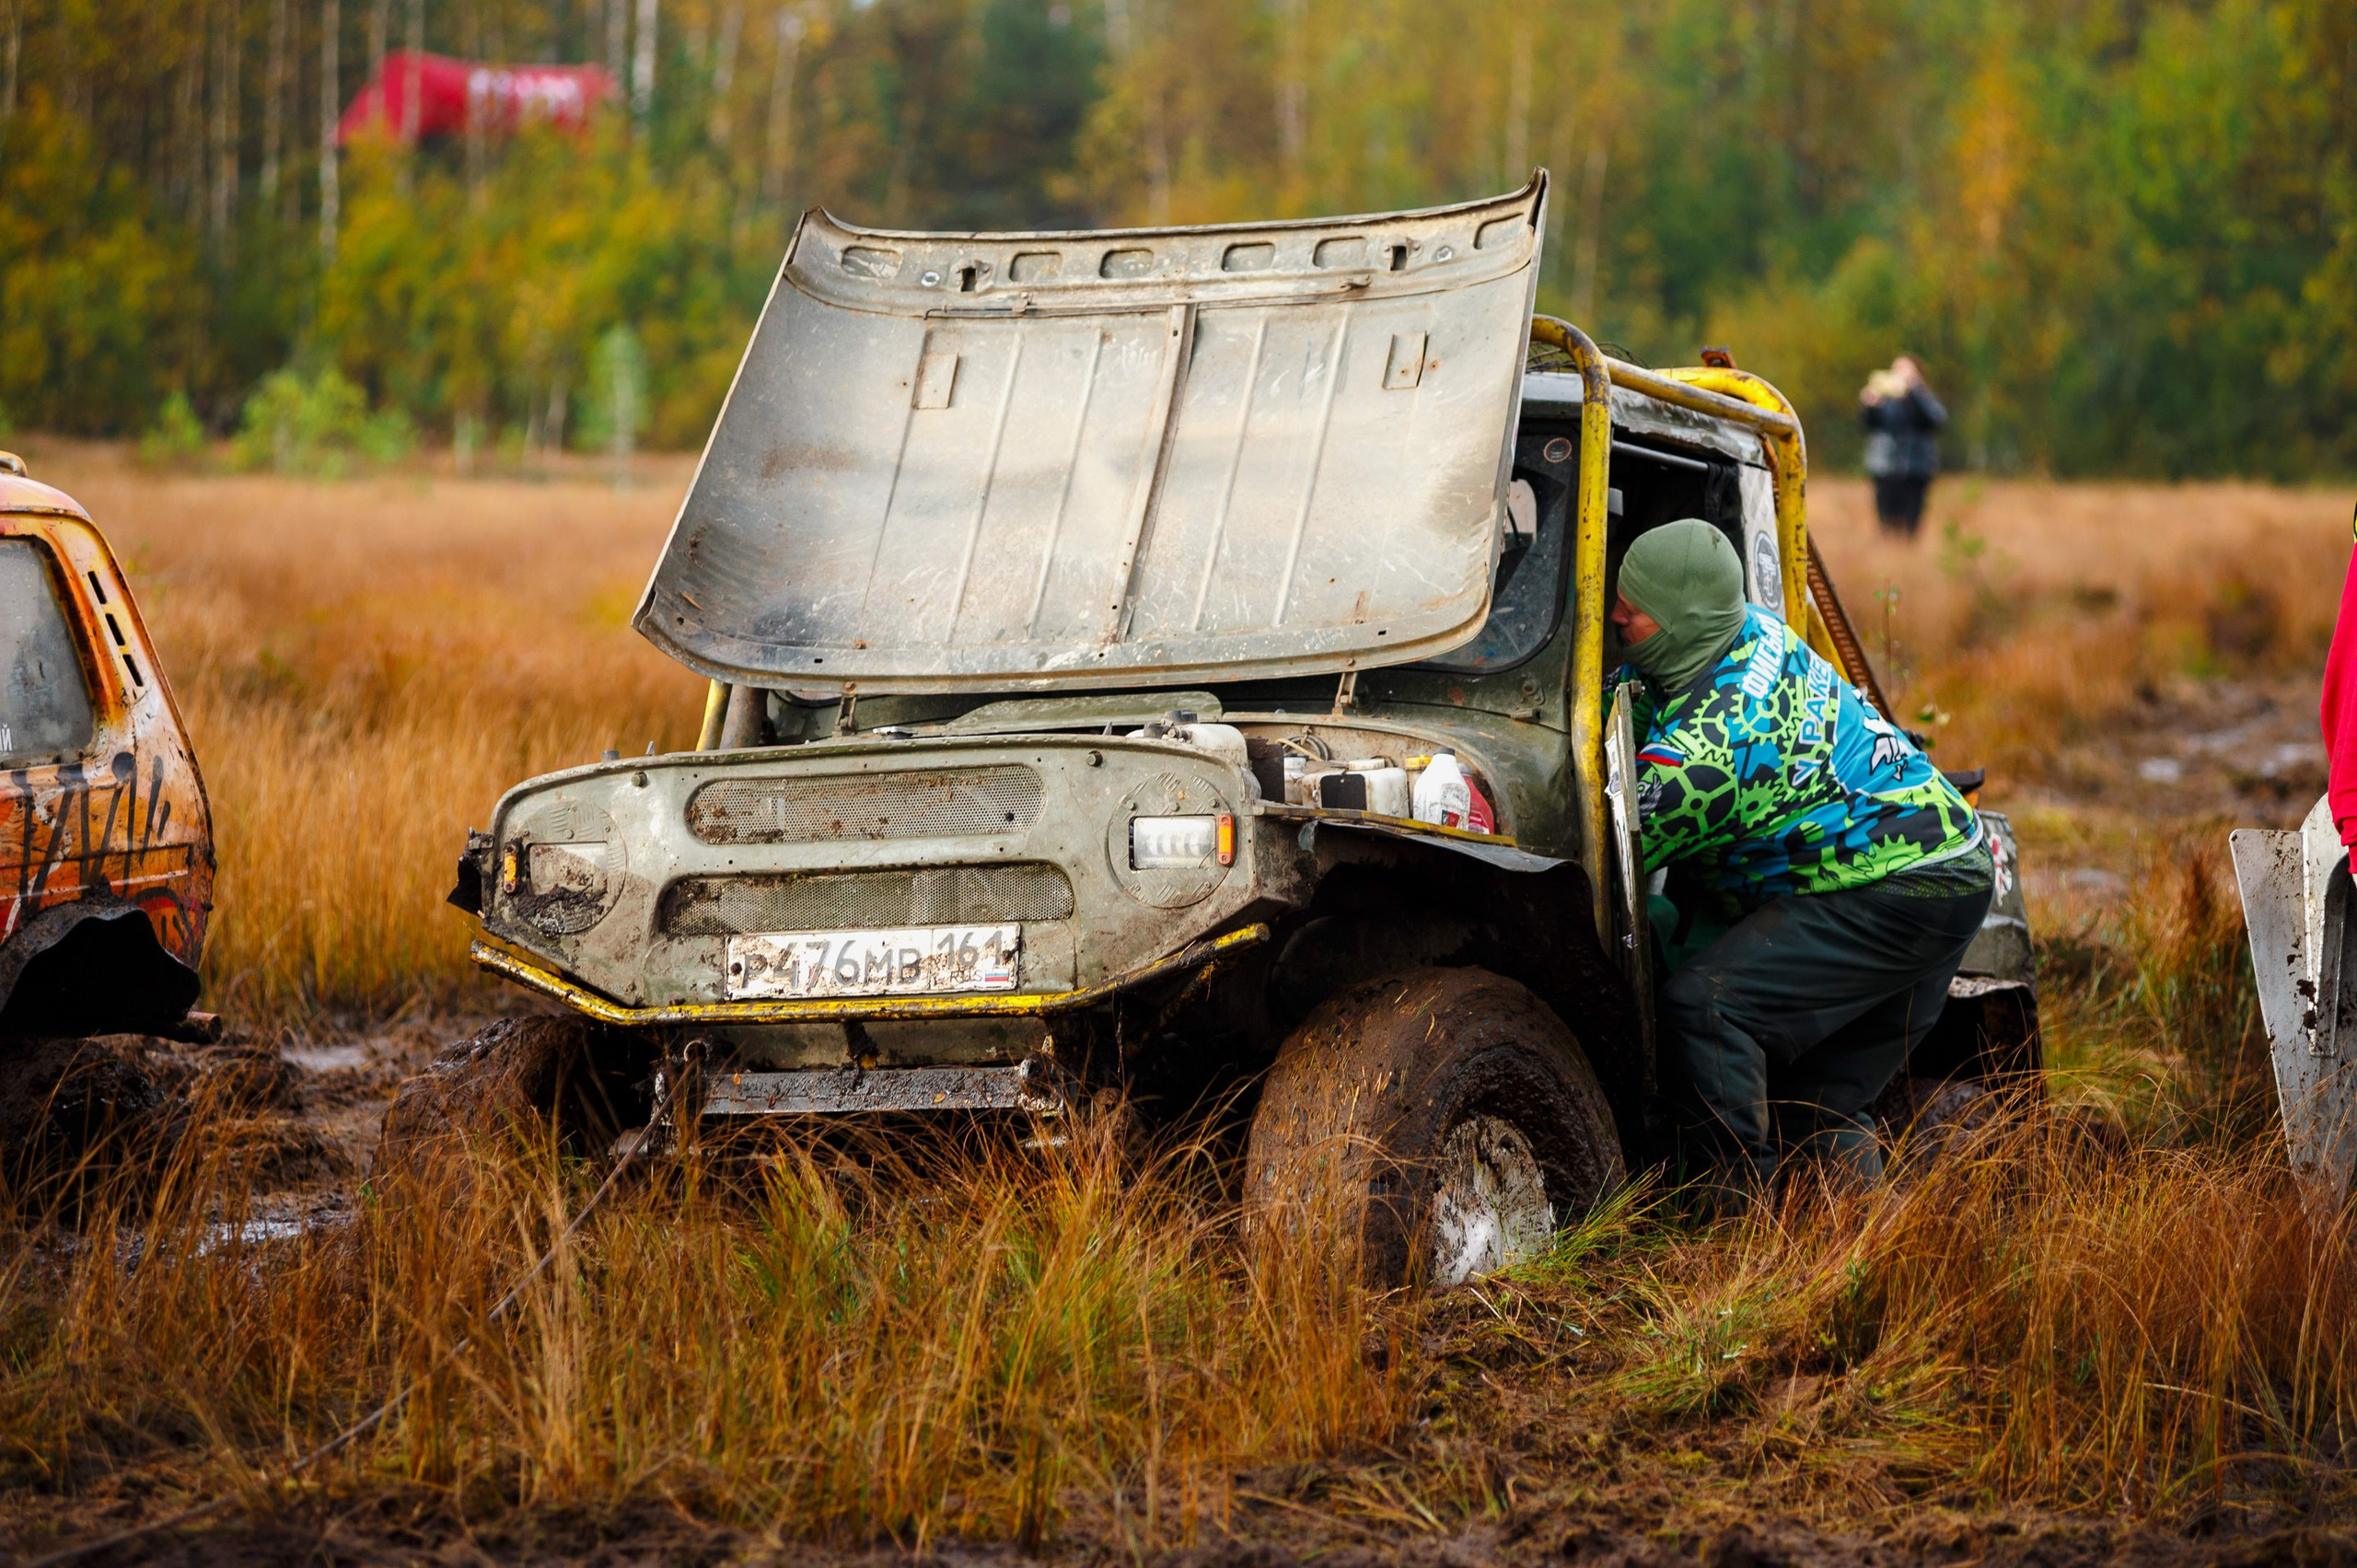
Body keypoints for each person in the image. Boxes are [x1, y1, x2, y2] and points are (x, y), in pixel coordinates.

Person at [1609, 519, 1991, 1202]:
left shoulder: (1712, 757)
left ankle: (1735, 1231)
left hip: (1899, 886)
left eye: (1629, 614)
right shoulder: (1743, 624)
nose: (1614, 617)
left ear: (1677, 625)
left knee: (1705, 1006)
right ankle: (1867, 1261)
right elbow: (1638, 697)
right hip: (1950, 863)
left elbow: (1610, 847)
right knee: (1819, 1102)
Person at [1859, 355, 1946, 538]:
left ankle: (1907, 558)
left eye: (1906, 371)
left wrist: (1914, 390)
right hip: (1885, 467)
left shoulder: (1924, 397)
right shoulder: (1886, 399)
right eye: (1896, 370)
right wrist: (1869, 406)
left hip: (1916, 467)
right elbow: (1869, 424)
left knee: (1911, 523)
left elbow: (1937, 420)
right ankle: (1889, 558)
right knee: (1886, 522)